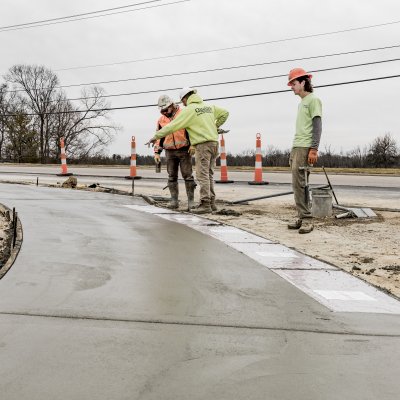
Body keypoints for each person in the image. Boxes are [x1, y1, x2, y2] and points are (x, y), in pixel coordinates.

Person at [147, 88, 229, 214]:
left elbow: (172, 126)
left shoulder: (187, 111)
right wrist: (214, 126)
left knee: (202, 176)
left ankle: (205, 204)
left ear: (185, 98)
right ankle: (211, 203)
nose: (183, 103)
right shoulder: (207, 106)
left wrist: (154, 137)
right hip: (212, 143)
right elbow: (225, 113)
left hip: (197, 146)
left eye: (183, 101)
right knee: (208, 174)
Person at [287, 68, 322, 234]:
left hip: (305, 147)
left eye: (293, 83)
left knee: (301, 184)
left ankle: (307, 219)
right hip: (297, 146)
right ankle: (302, 217)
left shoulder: (313, 100)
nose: (291, 87)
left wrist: (314, 149)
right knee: (297, 184)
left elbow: (317, 126)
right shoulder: (302, 103)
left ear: (303, 82)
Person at [154, 94, 196, 210]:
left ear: (172, 105)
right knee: (172, 176)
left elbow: (191, 130)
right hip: (169, 152)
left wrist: (193, 144)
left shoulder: (183, 114)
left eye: (166, 109)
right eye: (162, 111)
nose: (164, 112)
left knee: (188, 176)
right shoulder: (161, 120)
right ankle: (174, 201)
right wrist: (157, 152)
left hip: (184, 150)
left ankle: (191, 202)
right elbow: (159, 137)